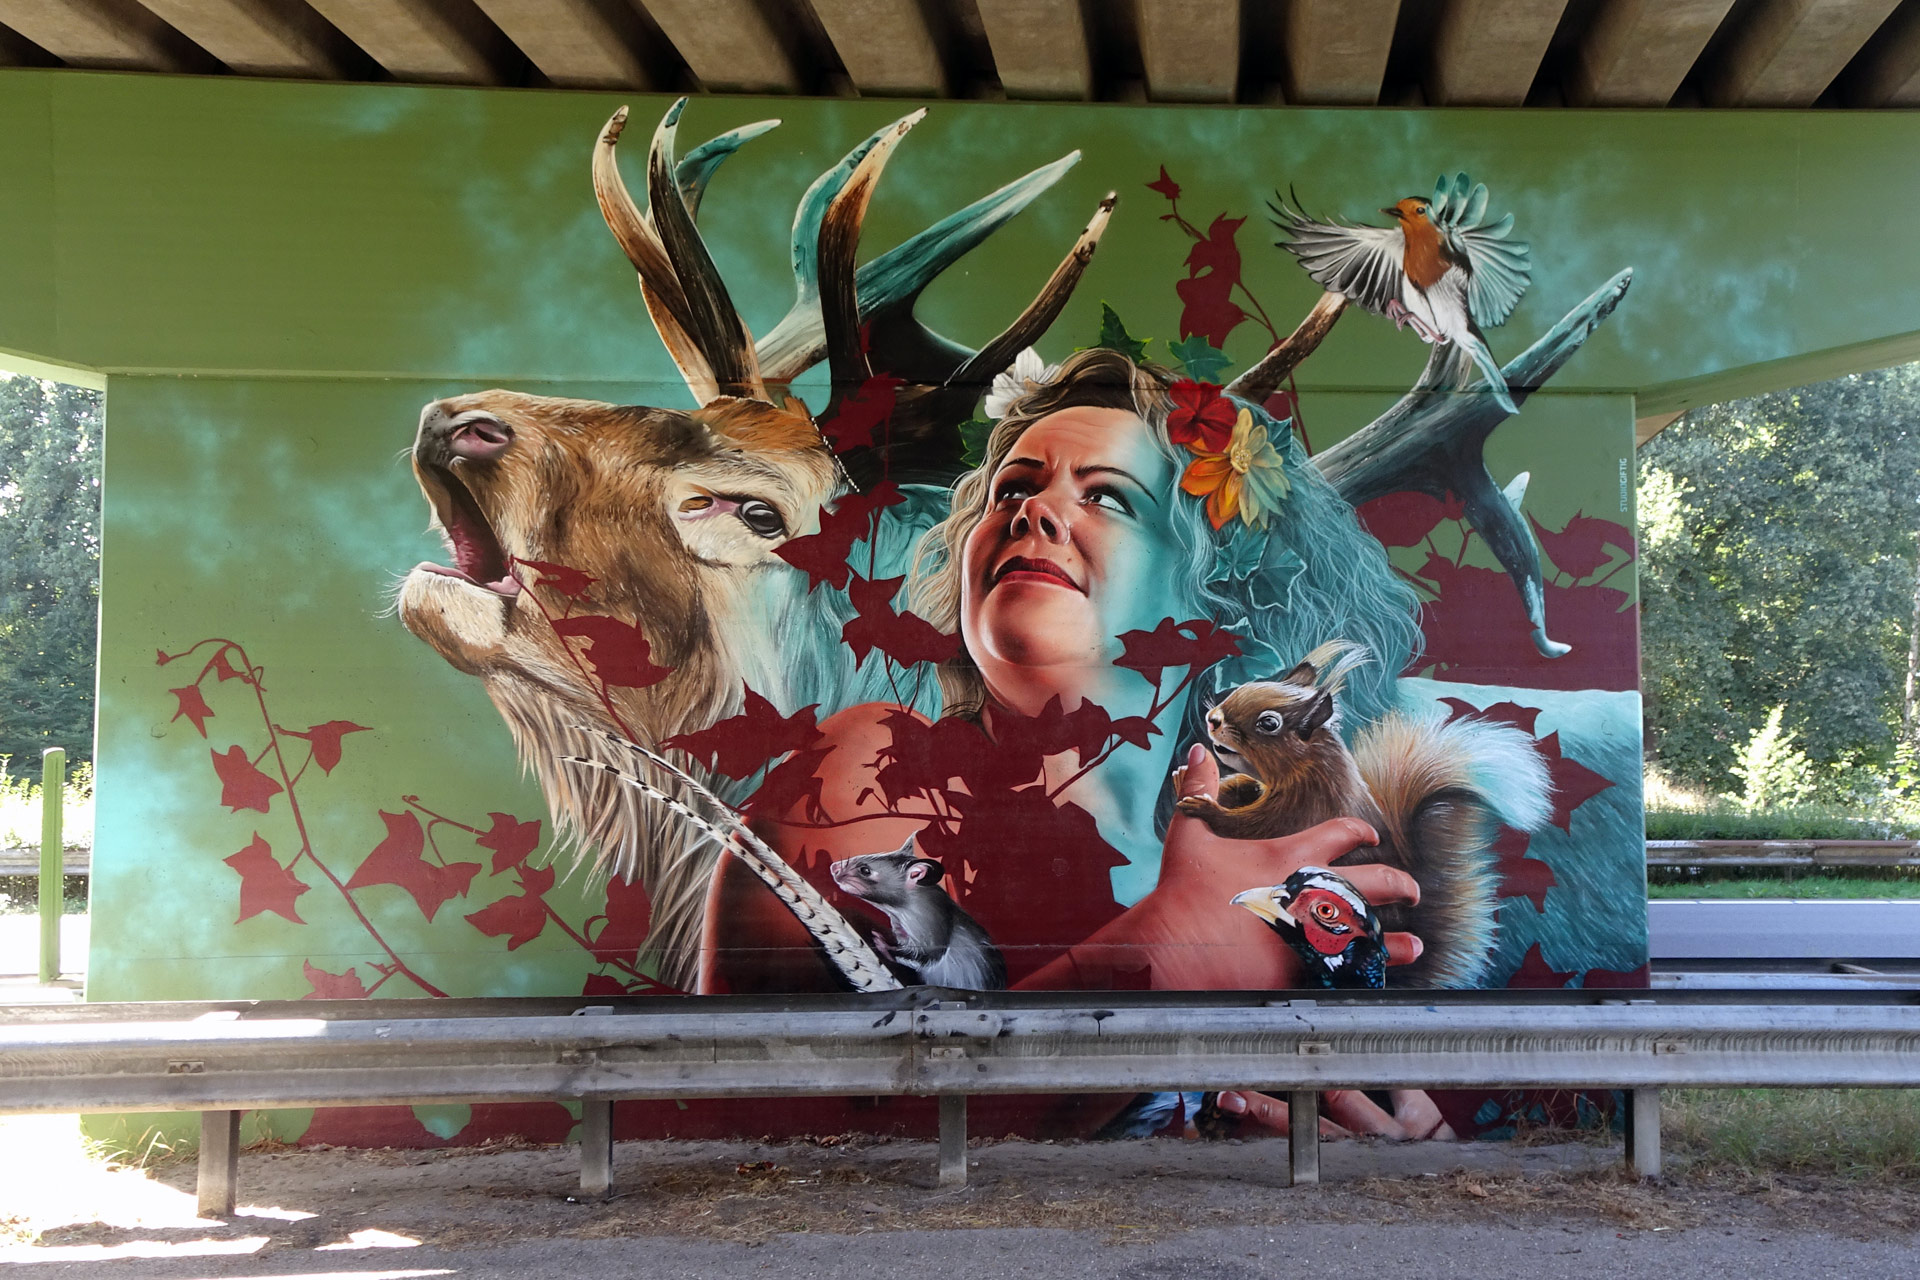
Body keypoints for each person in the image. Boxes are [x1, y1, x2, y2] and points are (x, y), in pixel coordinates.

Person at [698, 348, 1458, 1138]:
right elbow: (772, 1126)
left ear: (1215, 592)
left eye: (1107, 497)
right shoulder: (872, 772)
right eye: (1013, 489)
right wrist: (1172, 948)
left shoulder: (1273, 858)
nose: (1035, 511)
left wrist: (1394, 1142)